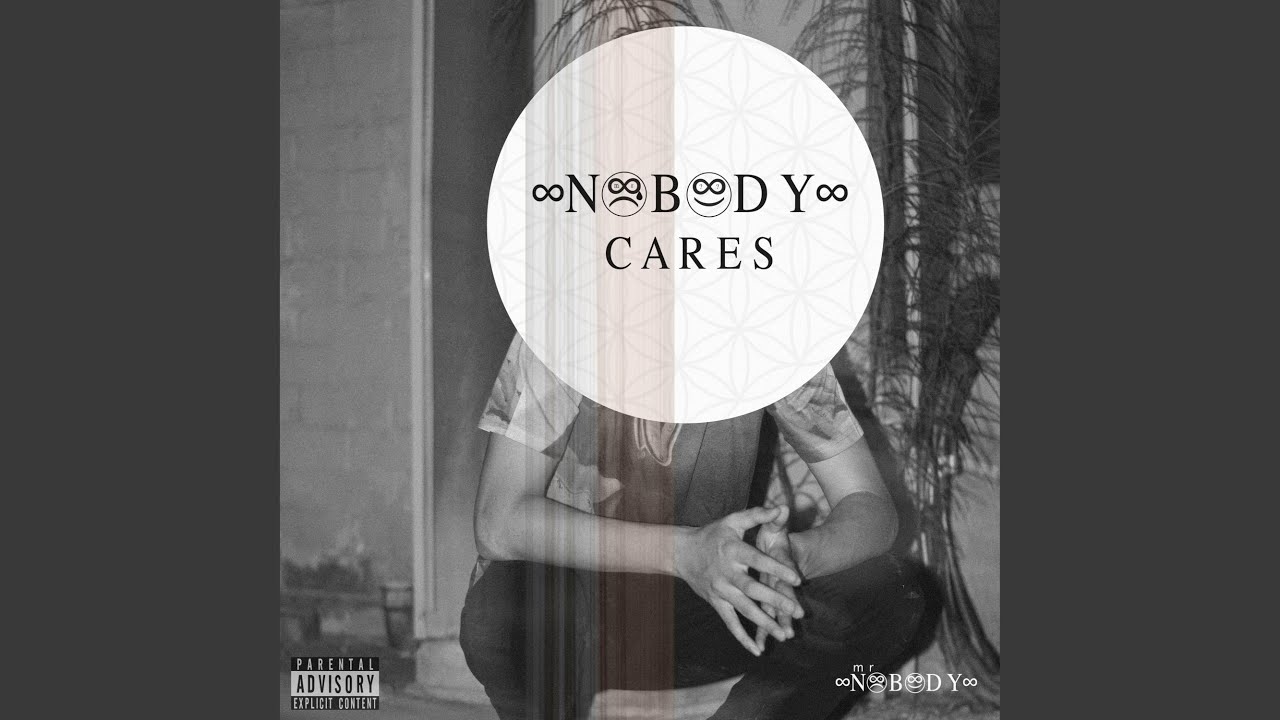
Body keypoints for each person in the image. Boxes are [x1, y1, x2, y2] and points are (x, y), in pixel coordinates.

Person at [459, 335, 925, 720]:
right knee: (508, 605)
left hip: (702, 603)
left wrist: (794, 560)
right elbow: (498, 521)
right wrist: (682, 552)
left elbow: (872, 509)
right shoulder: (561, 326)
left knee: (891, 592)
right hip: (578, 608)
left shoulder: (773, 330)